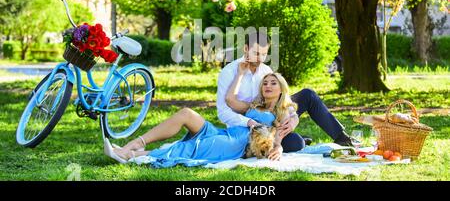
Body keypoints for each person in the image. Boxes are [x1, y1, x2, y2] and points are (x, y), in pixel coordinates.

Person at [104, 70, 295, 167]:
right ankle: (135, 144)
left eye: (273, 83)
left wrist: (278, 148)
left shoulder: (282, 111)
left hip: (237, 144)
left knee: (188, 148)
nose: (268, 86)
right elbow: (230, 99)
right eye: (265, 83)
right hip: (225, 132)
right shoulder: (254, 105)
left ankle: (130, 155)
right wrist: (239, 74)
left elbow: (279, 137)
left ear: (281, 89)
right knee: (186, 113)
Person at [216, 30, 358, 153]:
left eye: (264, 54)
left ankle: (342, 138)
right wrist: (251, 122)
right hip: (248, 128)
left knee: (307, 95)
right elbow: (223, 112)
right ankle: (295, 140)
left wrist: (293, 117)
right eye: (256, 53)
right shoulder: (229, 72)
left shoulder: (266, 70)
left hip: (273, 116)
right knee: (295, 143)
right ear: (246, 48)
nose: (260, 59)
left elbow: (281, 98)